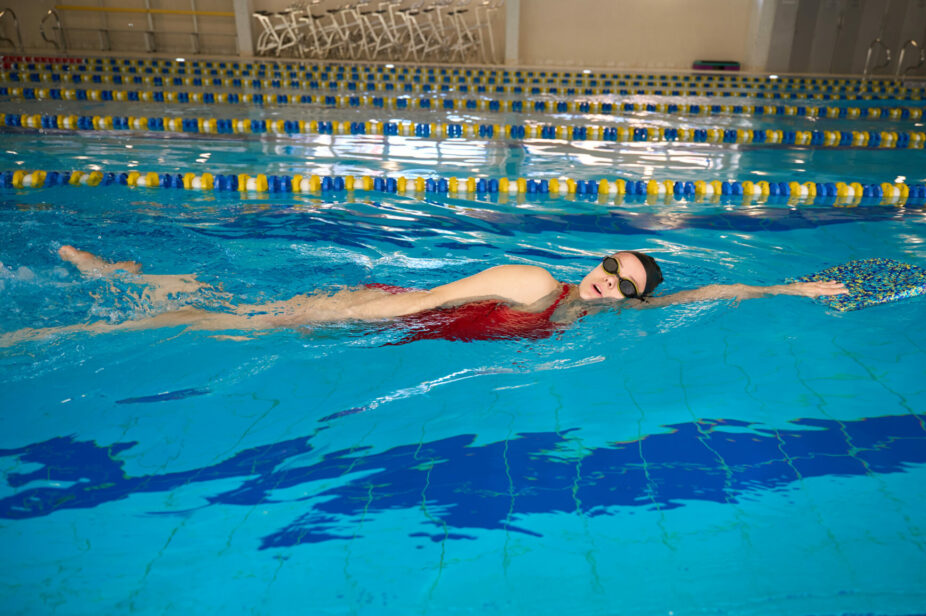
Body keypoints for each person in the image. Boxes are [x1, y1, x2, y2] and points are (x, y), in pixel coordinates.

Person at [0, 245, 848, 346]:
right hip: (384, 306)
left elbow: (713, 290)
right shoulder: (530, 283)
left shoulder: (595, 312)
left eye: (626, 283)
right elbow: (427, 299)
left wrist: (790, 285)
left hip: (411, 325)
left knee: (226, 307)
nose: (612, 280)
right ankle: (71, 314)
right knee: (233, 323)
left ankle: (129, 275)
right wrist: (339, 322)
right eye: (611, 265)